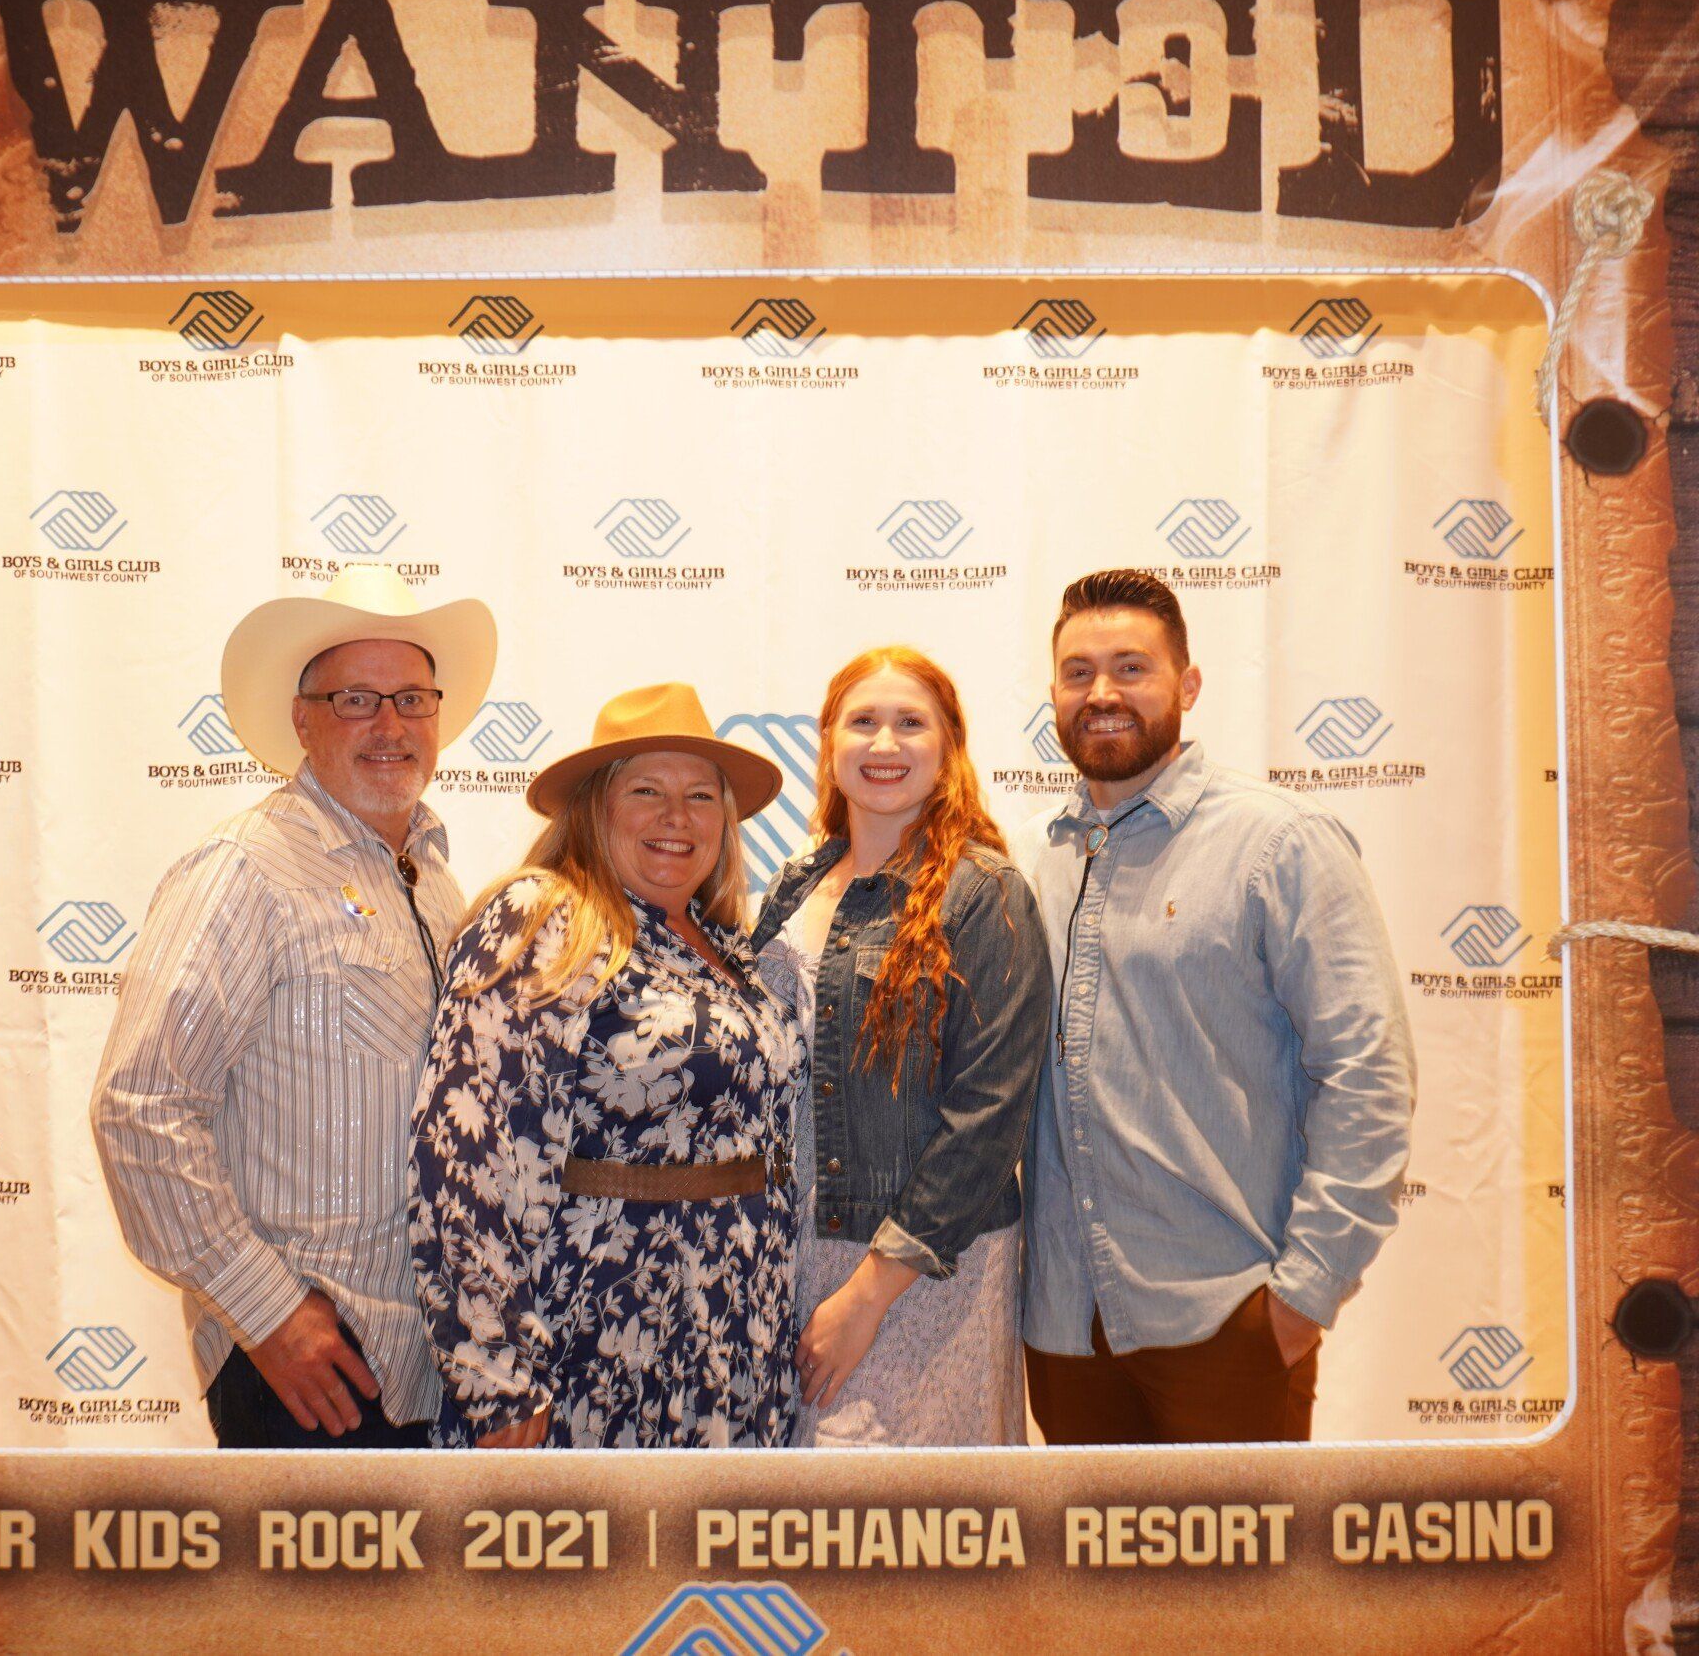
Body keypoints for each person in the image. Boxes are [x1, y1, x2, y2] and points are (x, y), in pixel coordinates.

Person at [91, 564, 496, 1448]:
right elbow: (141, 1102)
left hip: (428, 1362)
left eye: (412, 698)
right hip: (310, 1355)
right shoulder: (247, 868)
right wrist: (266, 1310)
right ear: (302, 720)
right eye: (356, 699)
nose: (390, 724)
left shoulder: (437, 883)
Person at [1011, 568, 1416, 1444]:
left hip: (1226, 1320)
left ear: (1187, 684)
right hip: (1063, 1330)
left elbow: (1368, 1071)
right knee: (1087, 1548)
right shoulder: (1033, 858)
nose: (1103, 692)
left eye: (1131, 667)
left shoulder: (1279, 840)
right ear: (1054, 695)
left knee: (1250, 1548)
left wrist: (1302, 1296)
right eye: (1079, 672)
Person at [409, 683, 805, 1449]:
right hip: (599, 1344)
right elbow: (463, 1149)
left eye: (700, 795)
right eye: (647, 790)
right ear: (595, 806)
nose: (676, 816)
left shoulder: (732, 948)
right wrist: (494, 1374)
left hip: (740, 1345)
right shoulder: (544, 917)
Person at [751, 646, 1050, 1446]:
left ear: (949, 747)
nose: (884, 743)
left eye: (910, 722)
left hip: (924, 1272)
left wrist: (867, 1297)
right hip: (794, 1255)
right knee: (806, 1511)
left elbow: (988, 1121)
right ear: (828, 743)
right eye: (863, 721)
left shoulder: (985, 893)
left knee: (925, 1510)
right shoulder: (791, 884)